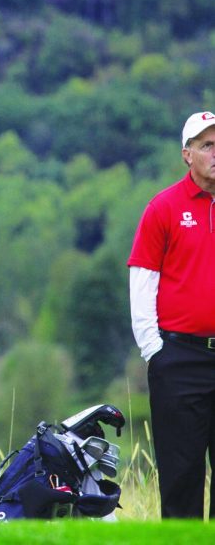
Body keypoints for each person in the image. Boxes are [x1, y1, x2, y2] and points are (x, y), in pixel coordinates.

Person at [127, 111, 215, 519]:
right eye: (207, 146)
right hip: (179, 360)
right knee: (181, 479)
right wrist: (154, 351)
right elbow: (143, 280)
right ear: (187, 155)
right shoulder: (164, 208)